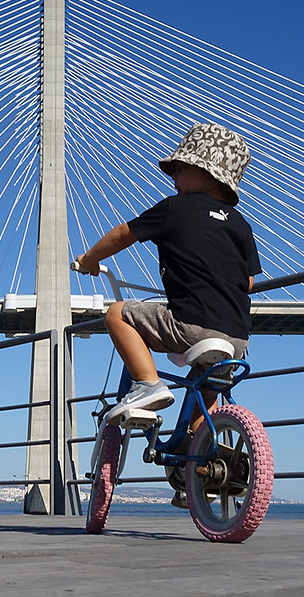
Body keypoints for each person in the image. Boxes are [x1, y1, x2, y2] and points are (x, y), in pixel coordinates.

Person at [74, 122, 261, 433]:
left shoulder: (176, 207)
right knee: (206, 391)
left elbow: (123, 234)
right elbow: (249, 282)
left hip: (189, 325)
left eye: (179, 168)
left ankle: (148, 384)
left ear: (207, 172)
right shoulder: (241, 225)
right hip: (238, 337)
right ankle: (199, 461)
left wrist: (89, 259)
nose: (173, 178)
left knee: (117, 314)